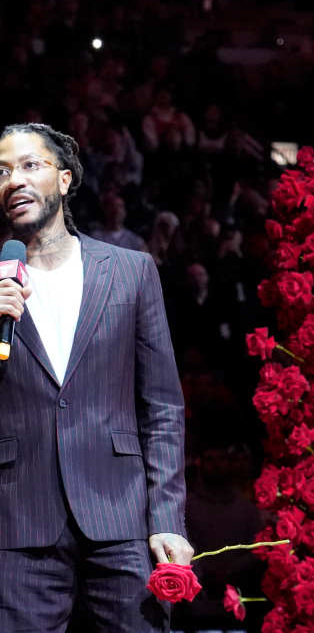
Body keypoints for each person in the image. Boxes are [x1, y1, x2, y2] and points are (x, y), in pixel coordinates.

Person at [0, 122, 193, 631]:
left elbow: (164, 408)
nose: (13, 180)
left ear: (64, 179)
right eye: (1, 172)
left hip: (122, 520)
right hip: (16, 525)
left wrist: (167, 519)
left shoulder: (131, 271)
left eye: (29, 165)